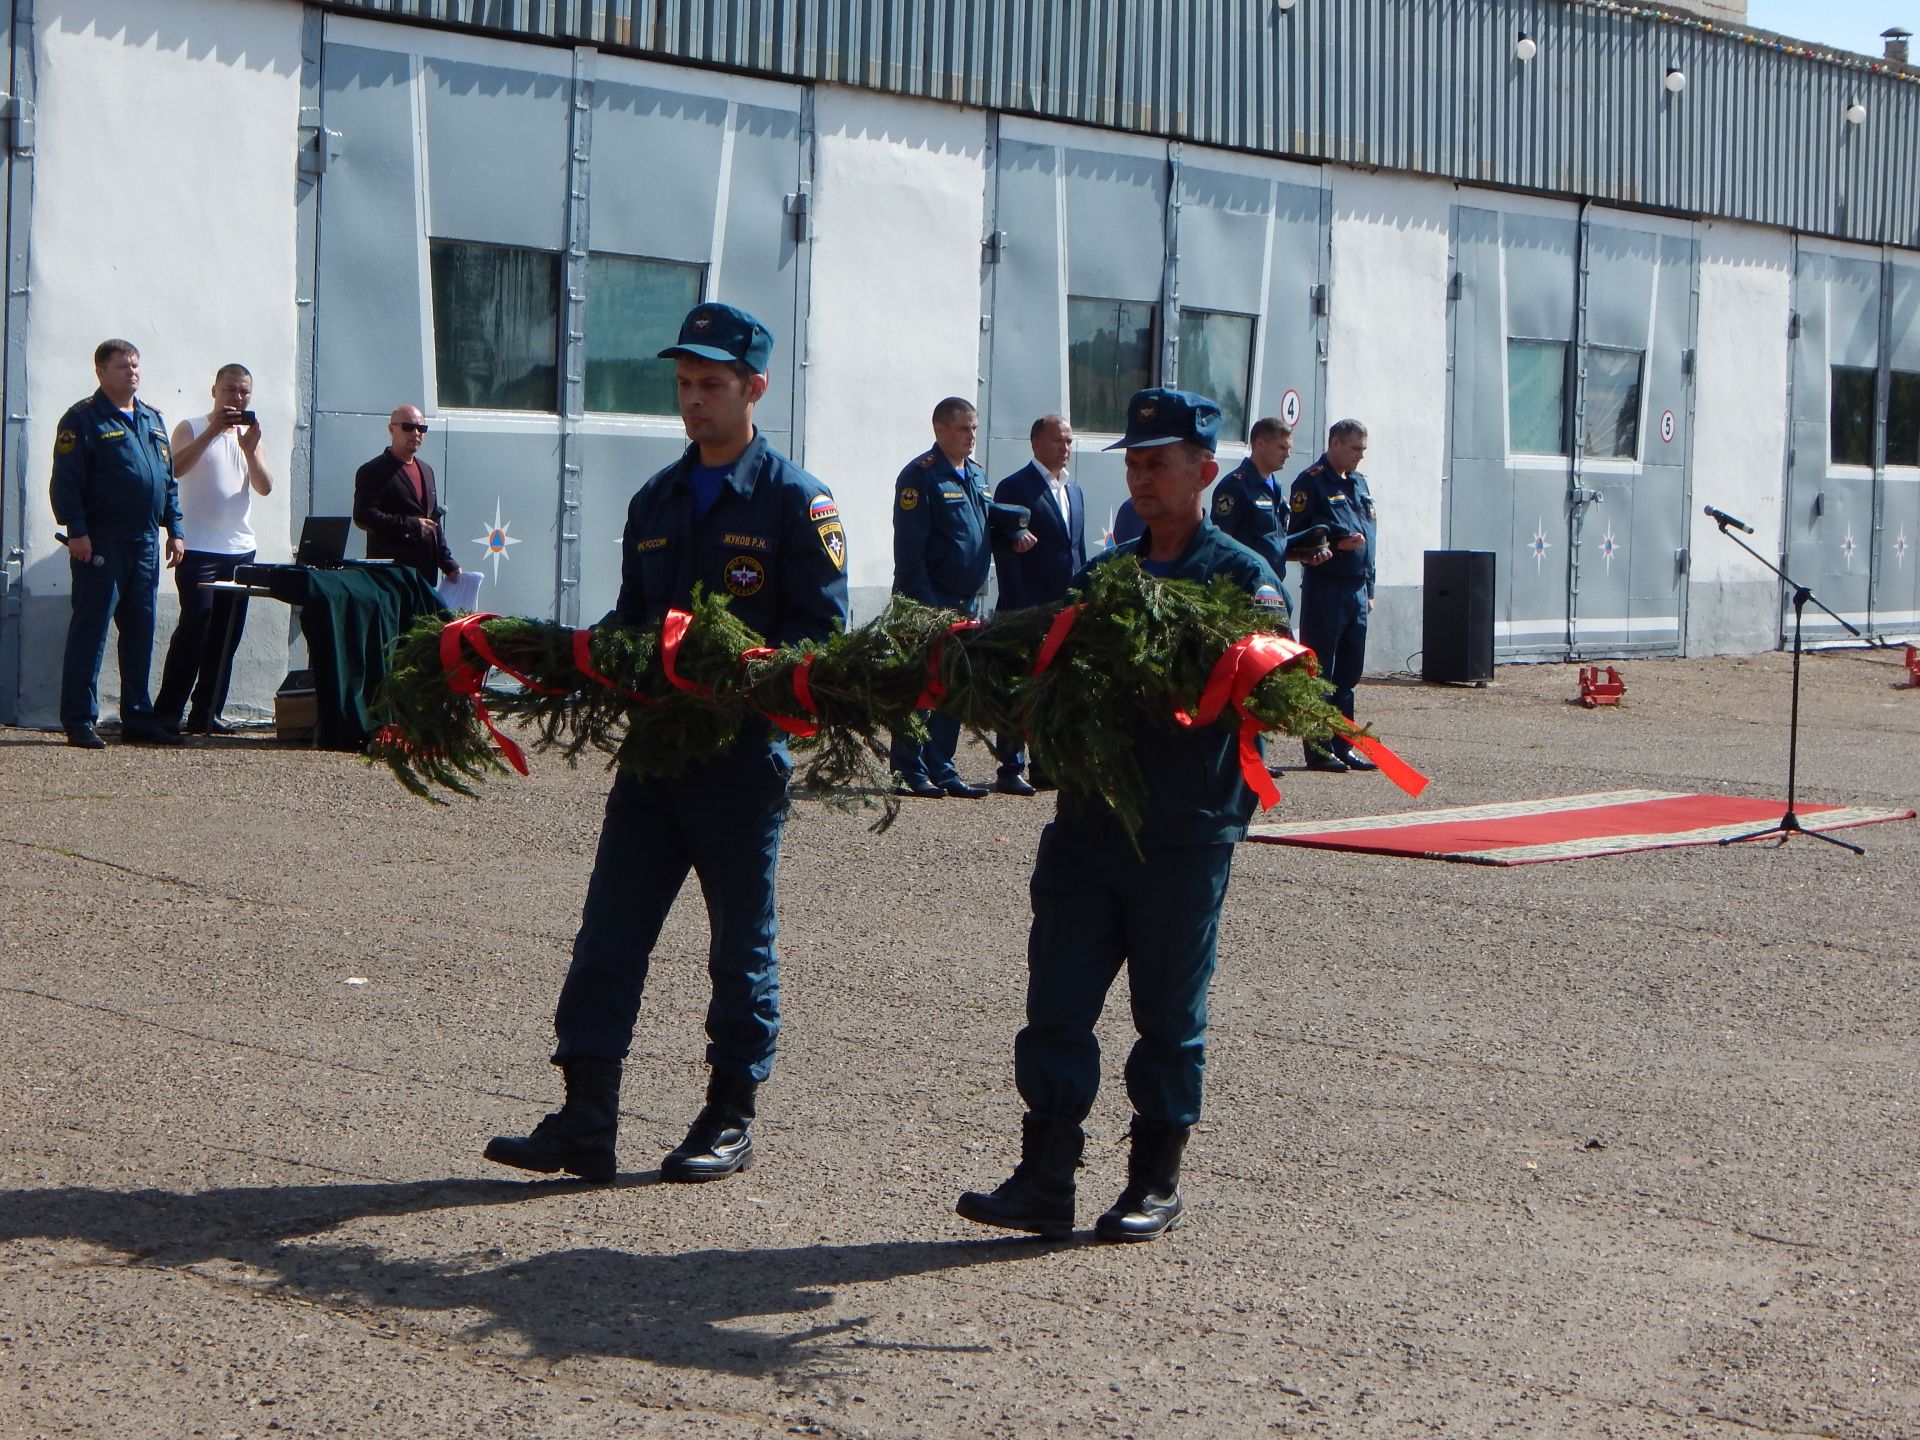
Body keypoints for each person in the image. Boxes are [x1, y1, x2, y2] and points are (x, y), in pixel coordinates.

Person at [486, 302, 848, 1185]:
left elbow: (821, 636)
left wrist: (744, 670)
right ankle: (586, 1115)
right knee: (608, 933)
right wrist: (575, 657)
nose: (693, 401)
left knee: (739, 944)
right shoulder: (655, 498)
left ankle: (729, 1112)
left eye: (711, 385)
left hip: (736, 760)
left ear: (754, 388)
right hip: (652, 759)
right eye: (683, 385)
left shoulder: (798, 502)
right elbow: (630, 619)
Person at [957, 388, 1286, 1245]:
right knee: (1057, 1005)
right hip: (1088, 825)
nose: (1141, 477)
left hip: (1183, 830)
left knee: (1167, 1018)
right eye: (1134, 463)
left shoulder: (1243, 579)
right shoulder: (1106, 574)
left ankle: (1153, 1179)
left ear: (1204, 472)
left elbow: (1277, 686)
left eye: (1159, 463)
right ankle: (1045, 1178)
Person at [887, 396, 1029, 799]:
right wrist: (928, 608)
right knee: (920, 686)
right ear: (940, 430)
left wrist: (1013, 535)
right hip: (927, 602)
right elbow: (910, 552)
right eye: (964, 428)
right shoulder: (920, 476)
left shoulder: (976, 476)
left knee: (952, 689)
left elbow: (980, 529)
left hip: (966, 601)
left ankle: (942, 767)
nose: (971, 436)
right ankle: (909, 770)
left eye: (974, 428)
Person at [49, 339, 187, 749]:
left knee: (141, 632)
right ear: (101, 373)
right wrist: (77, 531)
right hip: (101, 543)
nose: (132, 373)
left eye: (136, 366)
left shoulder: (151, 419)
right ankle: (79, 719)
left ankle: (139, 718)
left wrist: (175, 528)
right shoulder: (83, 420)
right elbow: (66, 481)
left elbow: (167, 480)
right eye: (123, 366)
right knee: (91, 632)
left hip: (144, 542)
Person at [154, 364, 274, 736]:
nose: (237, 399)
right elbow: (174, 469)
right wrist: (212, 431)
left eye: (244, 393)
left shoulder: (249, 436)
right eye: (230, 391)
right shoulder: (189, 427)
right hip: (199, 548)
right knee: (196, 626)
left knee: (226, 635)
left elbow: (265, 486)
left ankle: (207, 712)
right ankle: (168, 712)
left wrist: (250, 452)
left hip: (239, 549)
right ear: (215, 391)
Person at [990, 414, 1085, 796]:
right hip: (1026, 604)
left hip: (1063, 607)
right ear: (1036, 444)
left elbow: (1073, 550)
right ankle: (1010, 766)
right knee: (1019, 687)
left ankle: (1046, 764)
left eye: (1069, 441)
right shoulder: (1015, 487)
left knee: (1055, 687)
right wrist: (1018, 607)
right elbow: (1004, 547)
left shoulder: (1073, 490)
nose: (1065, 449)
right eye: (1058, 441)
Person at [1288, 418, 1377, 772]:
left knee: (1349, 674)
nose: (1359, 456)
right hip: (1326, 588)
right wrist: (1337, 546)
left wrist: (1370, 586)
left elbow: (1371, 539)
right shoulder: (1311, 483)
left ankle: (1343, 743)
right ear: (1335, 443)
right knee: (1321, 671)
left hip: (1356, 589)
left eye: (1363, 450)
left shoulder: (1359, 483)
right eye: (1355, 448)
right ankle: (1318, 749)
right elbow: (1297, 536)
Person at [352, 406, 460, 585]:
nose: (416, 433)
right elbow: (363, 516)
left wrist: (448, 564)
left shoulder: (426, 470)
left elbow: (433, 523)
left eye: (421, 429)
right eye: (408, 427)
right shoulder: (374, 471)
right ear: (391, 429)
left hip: (423, 576)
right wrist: (411, 525)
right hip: (390, 577)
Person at [1208, 416, 1295, 595]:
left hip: (1273, 586)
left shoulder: (1277, 487)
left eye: (1289, 449)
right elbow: (1221, 543)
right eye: (1282, 447)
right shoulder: (1235, 486)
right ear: (1260, 443)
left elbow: (1272, 540)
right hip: (1244, 588)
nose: (1287, 455)